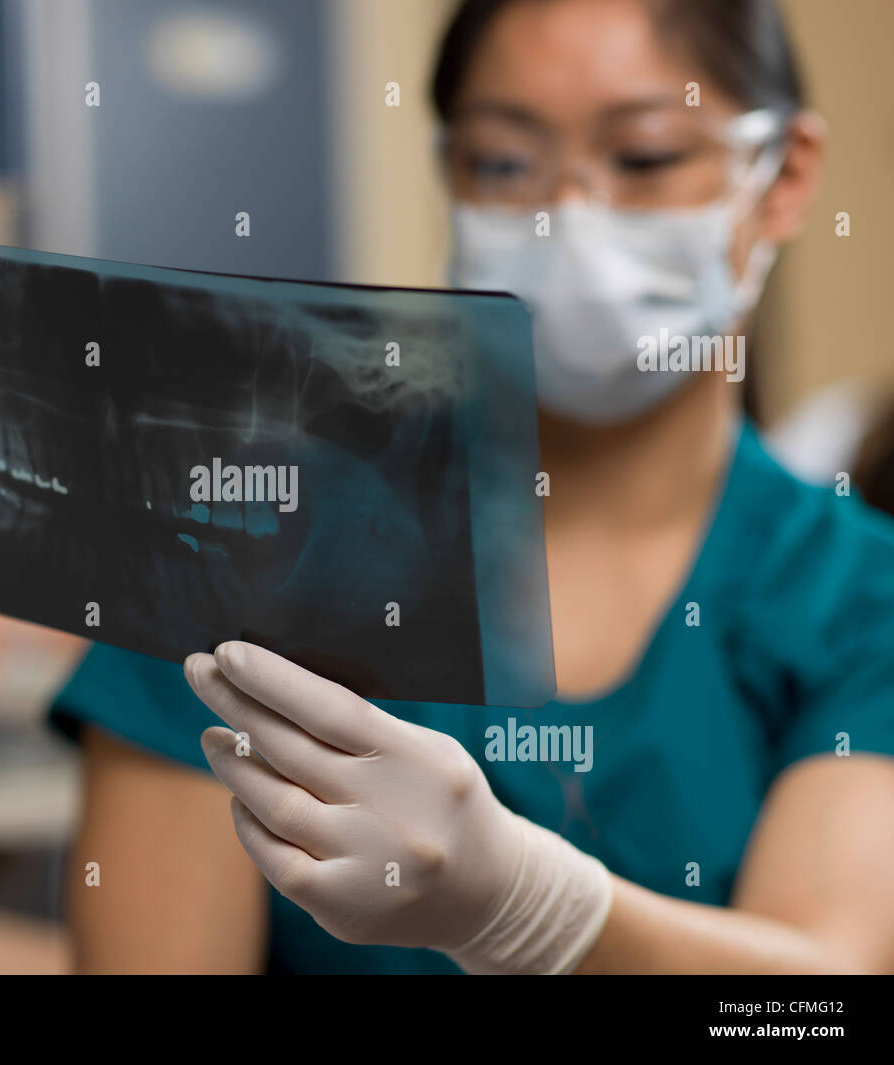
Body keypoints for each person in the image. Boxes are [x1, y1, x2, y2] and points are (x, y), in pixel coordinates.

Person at [48, 0, 894, 973]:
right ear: (448, 170)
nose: (568, 213)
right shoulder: (242, 540)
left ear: (783, 179)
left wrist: (527, 910)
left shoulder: (857, 603)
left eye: (646, 158)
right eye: (502, 162)